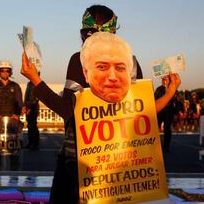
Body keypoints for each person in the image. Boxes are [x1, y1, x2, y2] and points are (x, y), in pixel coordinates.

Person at [22, 32, 180, 204]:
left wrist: (170, 92)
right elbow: (68, 110)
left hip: (111, 173)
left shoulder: (124, 79)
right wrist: (35, 79)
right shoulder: (81, 70)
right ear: (86, 72)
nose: (112, 77)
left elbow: (144, 112)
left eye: (120, 68)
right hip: (78, 165)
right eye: (102, 67)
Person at [0, 60, 23, 134]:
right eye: (2, 70)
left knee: (14, 140)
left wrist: (17, 114)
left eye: (7, 71)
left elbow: (19, 101)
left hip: (13, 118)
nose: (5, 72)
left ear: (10, 72)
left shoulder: (15, 86)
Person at [155, 76, 176, 152]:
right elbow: (155, 98)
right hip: (160, 111)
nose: (163, 80)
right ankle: (155, 146)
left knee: (167, 128)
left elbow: (174, 101)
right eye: (163, 79)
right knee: (155, 128)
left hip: (169, 111)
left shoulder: (172, 88)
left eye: (165, 79)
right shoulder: (159, 89)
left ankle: (166, 147)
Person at [23, 79, 40, 150]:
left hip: (33, 108)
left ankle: (34, 143)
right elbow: (26, 97)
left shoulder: (36, 83)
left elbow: (36, 98)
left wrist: (30, 108)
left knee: (33, 126)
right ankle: (30, 142)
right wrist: (24, 106)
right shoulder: (29, 84)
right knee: (29, 125)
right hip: (28, 107)